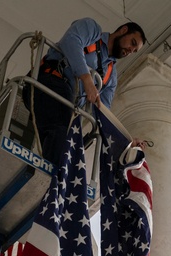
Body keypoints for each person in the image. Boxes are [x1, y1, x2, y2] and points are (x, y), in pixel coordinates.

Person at [27, 18, 146, 164]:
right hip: (49, 81)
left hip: (66, 106)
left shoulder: (111, 76)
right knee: (61, 136)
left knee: (68, 144)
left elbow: (104, 113)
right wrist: (87, 79)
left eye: (134, 51)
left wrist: (127, 140)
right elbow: (70, 41)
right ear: (123, 30)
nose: (130, 50)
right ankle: (57, 179)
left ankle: (54, 175)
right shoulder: (92, 30)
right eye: (132, 43)